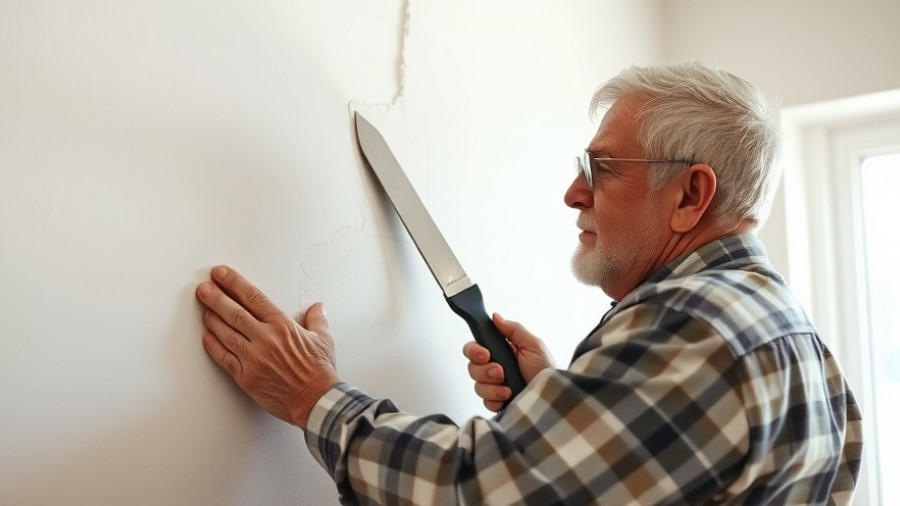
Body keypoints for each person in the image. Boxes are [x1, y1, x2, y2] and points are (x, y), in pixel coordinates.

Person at [195, 62, 862, 504]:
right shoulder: (786, 332)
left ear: (690, 194)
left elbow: (478, 490)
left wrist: (314, 396)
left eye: (601, 168)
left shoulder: (693, 325)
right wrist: (557, 401)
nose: (574, 193)